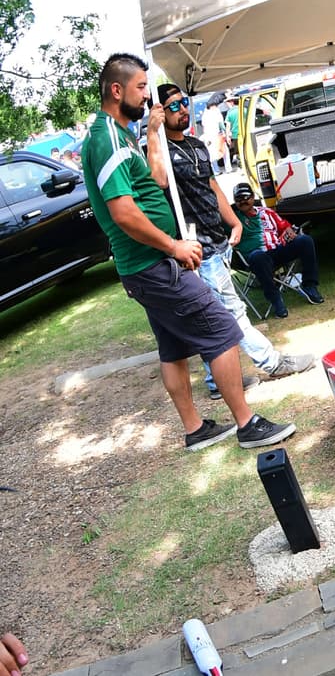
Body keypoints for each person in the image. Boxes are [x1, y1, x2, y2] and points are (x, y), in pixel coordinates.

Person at [81, 52, 297, 452]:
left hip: (145, 265)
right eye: (142, 88)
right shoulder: (106, 137)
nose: (148, 97)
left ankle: (196, 429)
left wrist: (149, 134)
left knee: (174, 347)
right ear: (116, 90)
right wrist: (173, 245)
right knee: (222, 330)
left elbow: (152, 181)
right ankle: (247, 424)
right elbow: (123, 211)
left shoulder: (120, 133)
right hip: (152, 263)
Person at [150, 84, 316, 397]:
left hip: (217, 242)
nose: (182, 110)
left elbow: (212, 186)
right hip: (195, 247)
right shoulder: (161, 153)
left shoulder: (197, 145)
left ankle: (217, 382)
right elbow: (158, 180)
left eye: (183, 103)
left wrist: (234, 220)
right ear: (159, 112)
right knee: (231, 311)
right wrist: (153, 132)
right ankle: (271, 362)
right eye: (172, 106)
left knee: (212, 316)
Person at [231, 183, 324, 318]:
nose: (243, 201)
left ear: (253, 197)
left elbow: (284, 227)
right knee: (257, 256)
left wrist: (289, 231)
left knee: (305, 240)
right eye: (238, 199)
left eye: (246, 197)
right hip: (257, 258)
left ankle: (310, 285)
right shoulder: (233, 218)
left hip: (277, 250)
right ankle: (276, 299)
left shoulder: (266, 212)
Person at [201, 92, 227, 175]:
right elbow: (221, 123)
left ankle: (216, 170)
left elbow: (204, 125)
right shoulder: (216, 111)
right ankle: (227, 168)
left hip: (209, 135)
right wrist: (225, 131)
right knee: (224, 151)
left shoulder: (205, 113)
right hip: (216, 134)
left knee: (212, 153)